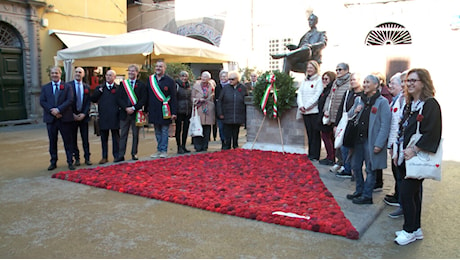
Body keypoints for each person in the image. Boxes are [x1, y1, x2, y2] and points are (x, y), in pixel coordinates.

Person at [393, 68, 442, 246]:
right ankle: (416, 228)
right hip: (405, 157)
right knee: (414, 195)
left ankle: (409, 230)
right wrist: (396, 149)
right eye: (407, 81)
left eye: (414, 80)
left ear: (424, 83)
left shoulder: (430, 104)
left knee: (406, 194)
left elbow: (432, 132)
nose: (409, 84)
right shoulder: (410, 104)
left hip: (416, 157)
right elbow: (402, 129)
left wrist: (414, 149)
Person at [345, 74, 391, 205]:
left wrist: (379, 143)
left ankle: (367, 195)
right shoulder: (359, 100)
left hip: (371, 141)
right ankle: (358, 191)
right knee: (355, 165)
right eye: (364, 82)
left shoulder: (382, 102)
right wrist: (355, 111)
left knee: (370, 169)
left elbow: (385, 124)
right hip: (357, 140)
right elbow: (348, 115)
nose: (364, 85)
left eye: (367, 82)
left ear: (376, 85)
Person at [40, 66, 75, 171]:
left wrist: (59, 110)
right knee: (52, 141)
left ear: (60, 74)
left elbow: (70, 100)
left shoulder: (67, 86)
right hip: (51, 119)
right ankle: (53, 162)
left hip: (64, 118)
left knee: (68, 141)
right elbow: (42, 101)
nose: (54, 75)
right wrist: (53, 111)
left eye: (56, 73)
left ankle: (70, 162)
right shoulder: (45, 87)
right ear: (50, 74)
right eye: (53, 73)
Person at [384, 72, 406, 219]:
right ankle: (398, 196)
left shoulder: (403, 100)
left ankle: (402, 202)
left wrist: (395, 145)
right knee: (396, 172)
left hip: (401, 146)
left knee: (401, 175)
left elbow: (399, 125)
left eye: (393, 83)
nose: (390, 85)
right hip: (395, 144)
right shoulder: (397, 99)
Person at [114, 64, 147, 162]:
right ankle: (121, 155)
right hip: (124, 113)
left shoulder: (141, 85)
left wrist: (134, 108)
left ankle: (134, 153)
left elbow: (143, 99)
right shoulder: (123, 84)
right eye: (129, 71)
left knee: (135, 134)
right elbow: (118, 98)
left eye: (133, 71)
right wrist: (126, 108)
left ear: (137, 72)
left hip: (136, 113)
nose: (131, 73)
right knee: (123, 134)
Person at [146, 60, 177, 158]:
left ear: (164, 68)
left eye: (160, 66)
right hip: (153, 109)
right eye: (157, 66)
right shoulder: (150, 80)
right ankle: (159, 149)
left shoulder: (170, 81)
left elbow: (174, 97)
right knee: (157, 130)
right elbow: (147, 95)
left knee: (164, 130)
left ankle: (163, 150)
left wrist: (174, 112)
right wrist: (146, 110)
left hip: (165, 110)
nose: (158, 68)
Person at [335, 72, 363, 178]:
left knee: (353, 149)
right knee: (344, 147)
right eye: (351, 80)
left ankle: (352, 170)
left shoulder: (363, 96)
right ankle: (346, 168)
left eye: (354, 80)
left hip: (357, 126)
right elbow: (342, 109)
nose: (352, 82)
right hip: (347, 123)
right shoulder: (348, 93)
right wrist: (337, 124)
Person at [323, 63, 351, 172]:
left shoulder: (349, 83)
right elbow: (330, 97)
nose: (338, 72)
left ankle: (345, 164)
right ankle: (339, 162)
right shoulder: (335, 82)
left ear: (346, 71)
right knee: (336, 141)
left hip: (343, 117)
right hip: (333, 116)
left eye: (340, 70)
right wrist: (326, 109)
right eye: (337, 70)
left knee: (342, 141)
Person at [91, 70, 120, 164]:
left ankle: (116, 155)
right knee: (104, 138)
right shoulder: (100, 88)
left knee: (116, 137)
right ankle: (104, 156)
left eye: (110, 75)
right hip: (103, 116)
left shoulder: (118, 88)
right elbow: (93, 99)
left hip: (115, 116)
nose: (108, 77)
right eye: (107, 75)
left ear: (114, 77)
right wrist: (98, 92)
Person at [296, 60, 323, 161]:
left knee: (315, 134)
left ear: (315, 69)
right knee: (309, 133)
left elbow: (317, 95)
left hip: (314, 111)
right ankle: (310, 153)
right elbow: (300, 93)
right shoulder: (305, 81)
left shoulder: (319, 80)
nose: (309, 69)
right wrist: (301, 105)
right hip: (305, 111)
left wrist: (306, 106)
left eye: (311, 67)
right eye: (308, 68)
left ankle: (315, 155)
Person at [217, 71, 248, 150]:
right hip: (227, 114)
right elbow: (219, 101)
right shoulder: (225, 88)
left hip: (238, 113)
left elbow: (246, 100)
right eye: (229, 79)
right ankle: (227, 145)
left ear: (237, 79)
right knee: (227, 131)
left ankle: (235, 144)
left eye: (232, 79)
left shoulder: (243, 88)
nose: (230, 81)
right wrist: (220, 112)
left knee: (236, 131)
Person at [69, 67, 92, 166]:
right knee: (73, 139)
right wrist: (72, 114)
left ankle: (87, 158)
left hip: (84, 117)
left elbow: (88, 102)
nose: (78, 74)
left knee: (85, 139)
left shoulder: (86, 86)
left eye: (80, 72)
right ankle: (76, 158)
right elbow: (67, 101)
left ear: (83, 75)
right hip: (72, 117)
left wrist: (84, 113)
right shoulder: (68, 86)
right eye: (76, 72)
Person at [191, 71, 215, 152]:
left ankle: (205, 146)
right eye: (203, 77)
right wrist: (198, 100)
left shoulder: (212, 86)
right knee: (198, 128)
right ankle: (197, 146)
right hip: (199, 109)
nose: (204, 78)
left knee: (207, 129)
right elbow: (192, 97)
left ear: (209, 78)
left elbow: (213, 97)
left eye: (206, 77)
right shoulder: (196, 86)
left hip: (208, 109)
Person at [318, 71, 336, 168]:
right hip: (322, 116)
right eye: (323, 79)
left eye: (326, 79)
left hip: (327, 116)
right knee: (327, 137)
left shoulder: (331, 90)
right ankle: (330, 156)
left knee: (327, 137)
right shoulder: (325, 89)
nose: (324, 81)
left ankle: (331, 157)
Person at [175, 71, 192, 154]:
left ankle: (184, 145)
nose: (184, 78)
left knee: (185, 129)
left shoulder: (189, 86)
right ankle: (179, 146)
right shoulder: (176, 86)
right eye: (182, 76)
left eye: (185, 76)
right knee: (178, 129)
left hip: (187, 110)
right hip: (179, 110)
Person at [214, 70, 230, 149]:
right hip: (219, 110)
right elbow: (216, 100)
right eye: (222, 76)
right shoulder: (218, 87)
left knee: (227, 128)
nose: (223, 78)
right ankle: (223, 141)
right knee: (221, 128)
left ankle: (228, 142)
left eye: (225, 76)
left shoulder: (230, 86)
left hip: (228, 110)